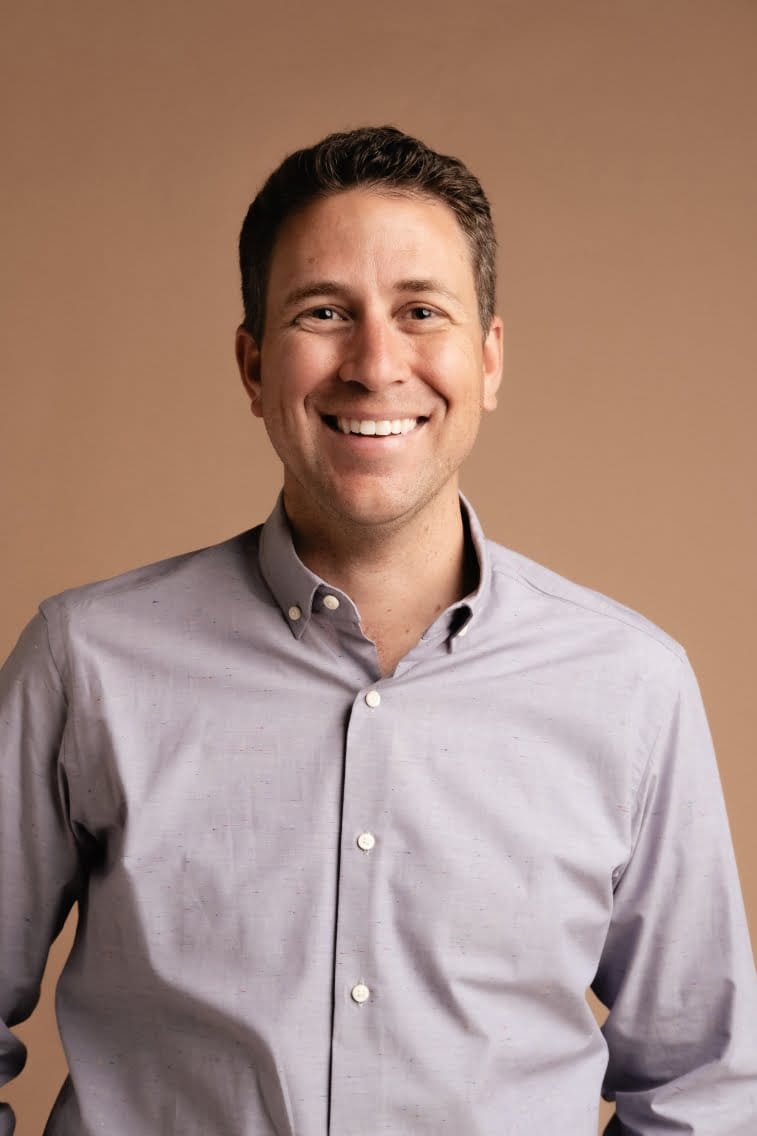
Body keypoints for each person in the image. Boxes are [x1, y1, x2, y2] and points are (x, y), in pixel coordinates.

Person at [0, 126, 755, 1136]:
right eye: (323, 312)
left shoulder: (631, 687)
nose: (374, 364)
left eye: (420, 312)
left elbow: (703, 1085)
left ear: (488, 359)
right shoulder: (84, 662)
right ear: (253, 365)